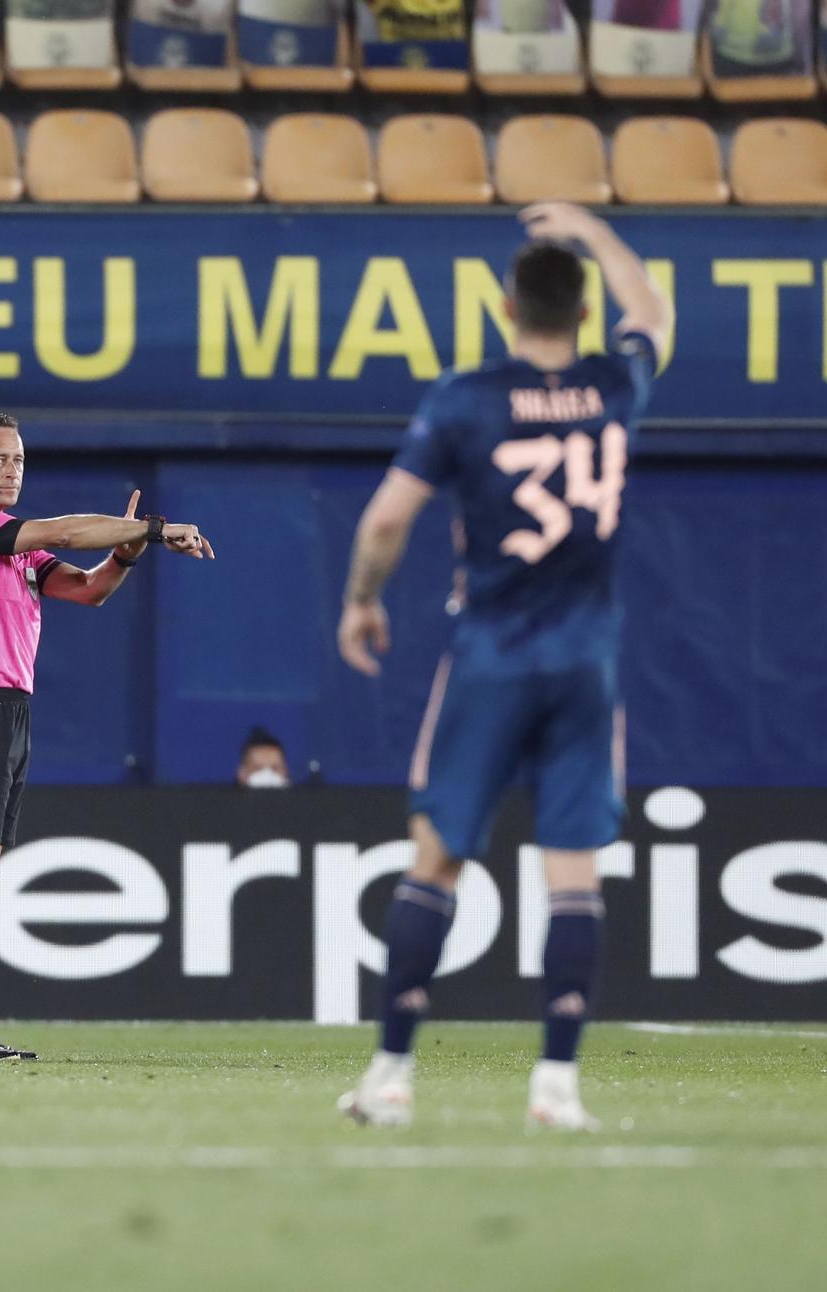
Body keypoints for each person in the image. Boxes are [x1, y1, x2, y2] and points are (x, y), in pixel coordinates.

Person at [335, 203, 670, 1132]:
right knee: (574, 876)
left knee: (436, 856)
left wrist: (362, 598)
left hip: (492, 653)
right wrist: (597, 232)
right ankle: (556, 1088)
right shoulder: (614, 385)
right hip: (584, 663)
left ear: (507, 305)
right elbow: (655, 316)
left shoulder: (468, 396)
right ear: (582, 310)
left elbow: (389, 519)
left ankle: (392, 1076)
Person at [0, 413, 213, 1061]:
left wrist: (127, 552)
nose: (11, 468)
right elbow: (64, 531)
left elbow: (89, 591)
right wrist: (156, 530)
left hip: (6, 709)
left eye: (18, 459)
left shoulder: (17, 549)